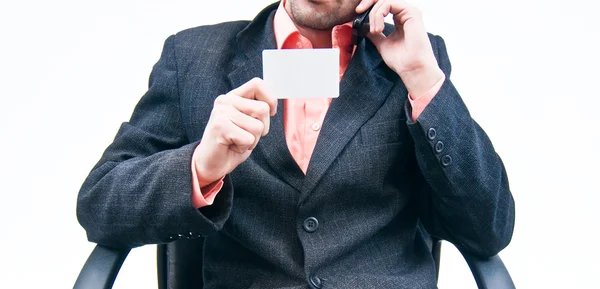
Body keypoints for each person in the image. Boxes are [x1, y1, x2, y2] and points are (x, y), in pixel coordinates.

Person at [77, 0, 515, 288]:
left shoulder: (415, 57)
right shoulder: (193, 57)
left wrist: (422, 77)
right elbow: (100, 205)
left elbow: (488, 227)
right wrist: (199, 167)